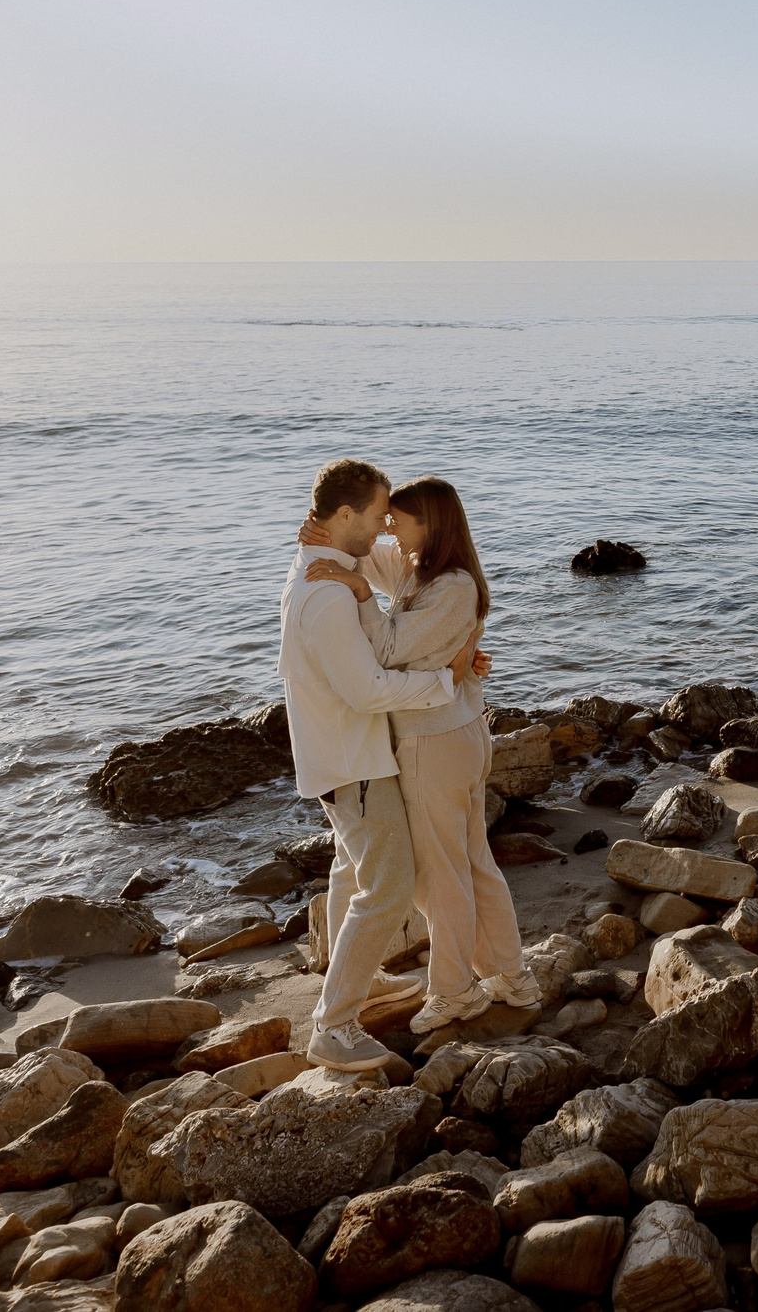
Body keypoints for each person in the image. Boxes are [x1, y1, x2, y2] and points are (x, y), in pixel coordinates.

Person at [303, 473, 537, 1032]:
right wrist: (329, 537)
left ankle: (455, 989)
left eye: (399, 520)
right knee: (473, 863)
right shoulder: (418, 568)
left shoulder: (453, 588)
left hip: (436, 742)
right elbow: (363, 554)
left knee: (441, 874)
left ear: (430, 525)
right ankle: (511, 975)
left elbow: (384, 648)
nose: (388, 528)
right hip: (452, 734)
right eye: (385, 519)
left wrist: (360, 597)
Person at [278, 458, 460, 1071]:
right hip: (353, 758)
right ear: (345, 515)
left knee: (351, 871)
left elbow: (374, 571)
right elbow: (368, 690)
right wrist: (444, 680)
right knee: (387, 887)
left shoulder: (325, 564)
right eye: (379, 512)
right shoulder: (329, 592)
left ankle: (358, 972)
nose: (387, 524)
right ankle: (333, 1024)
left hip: (335, 752)